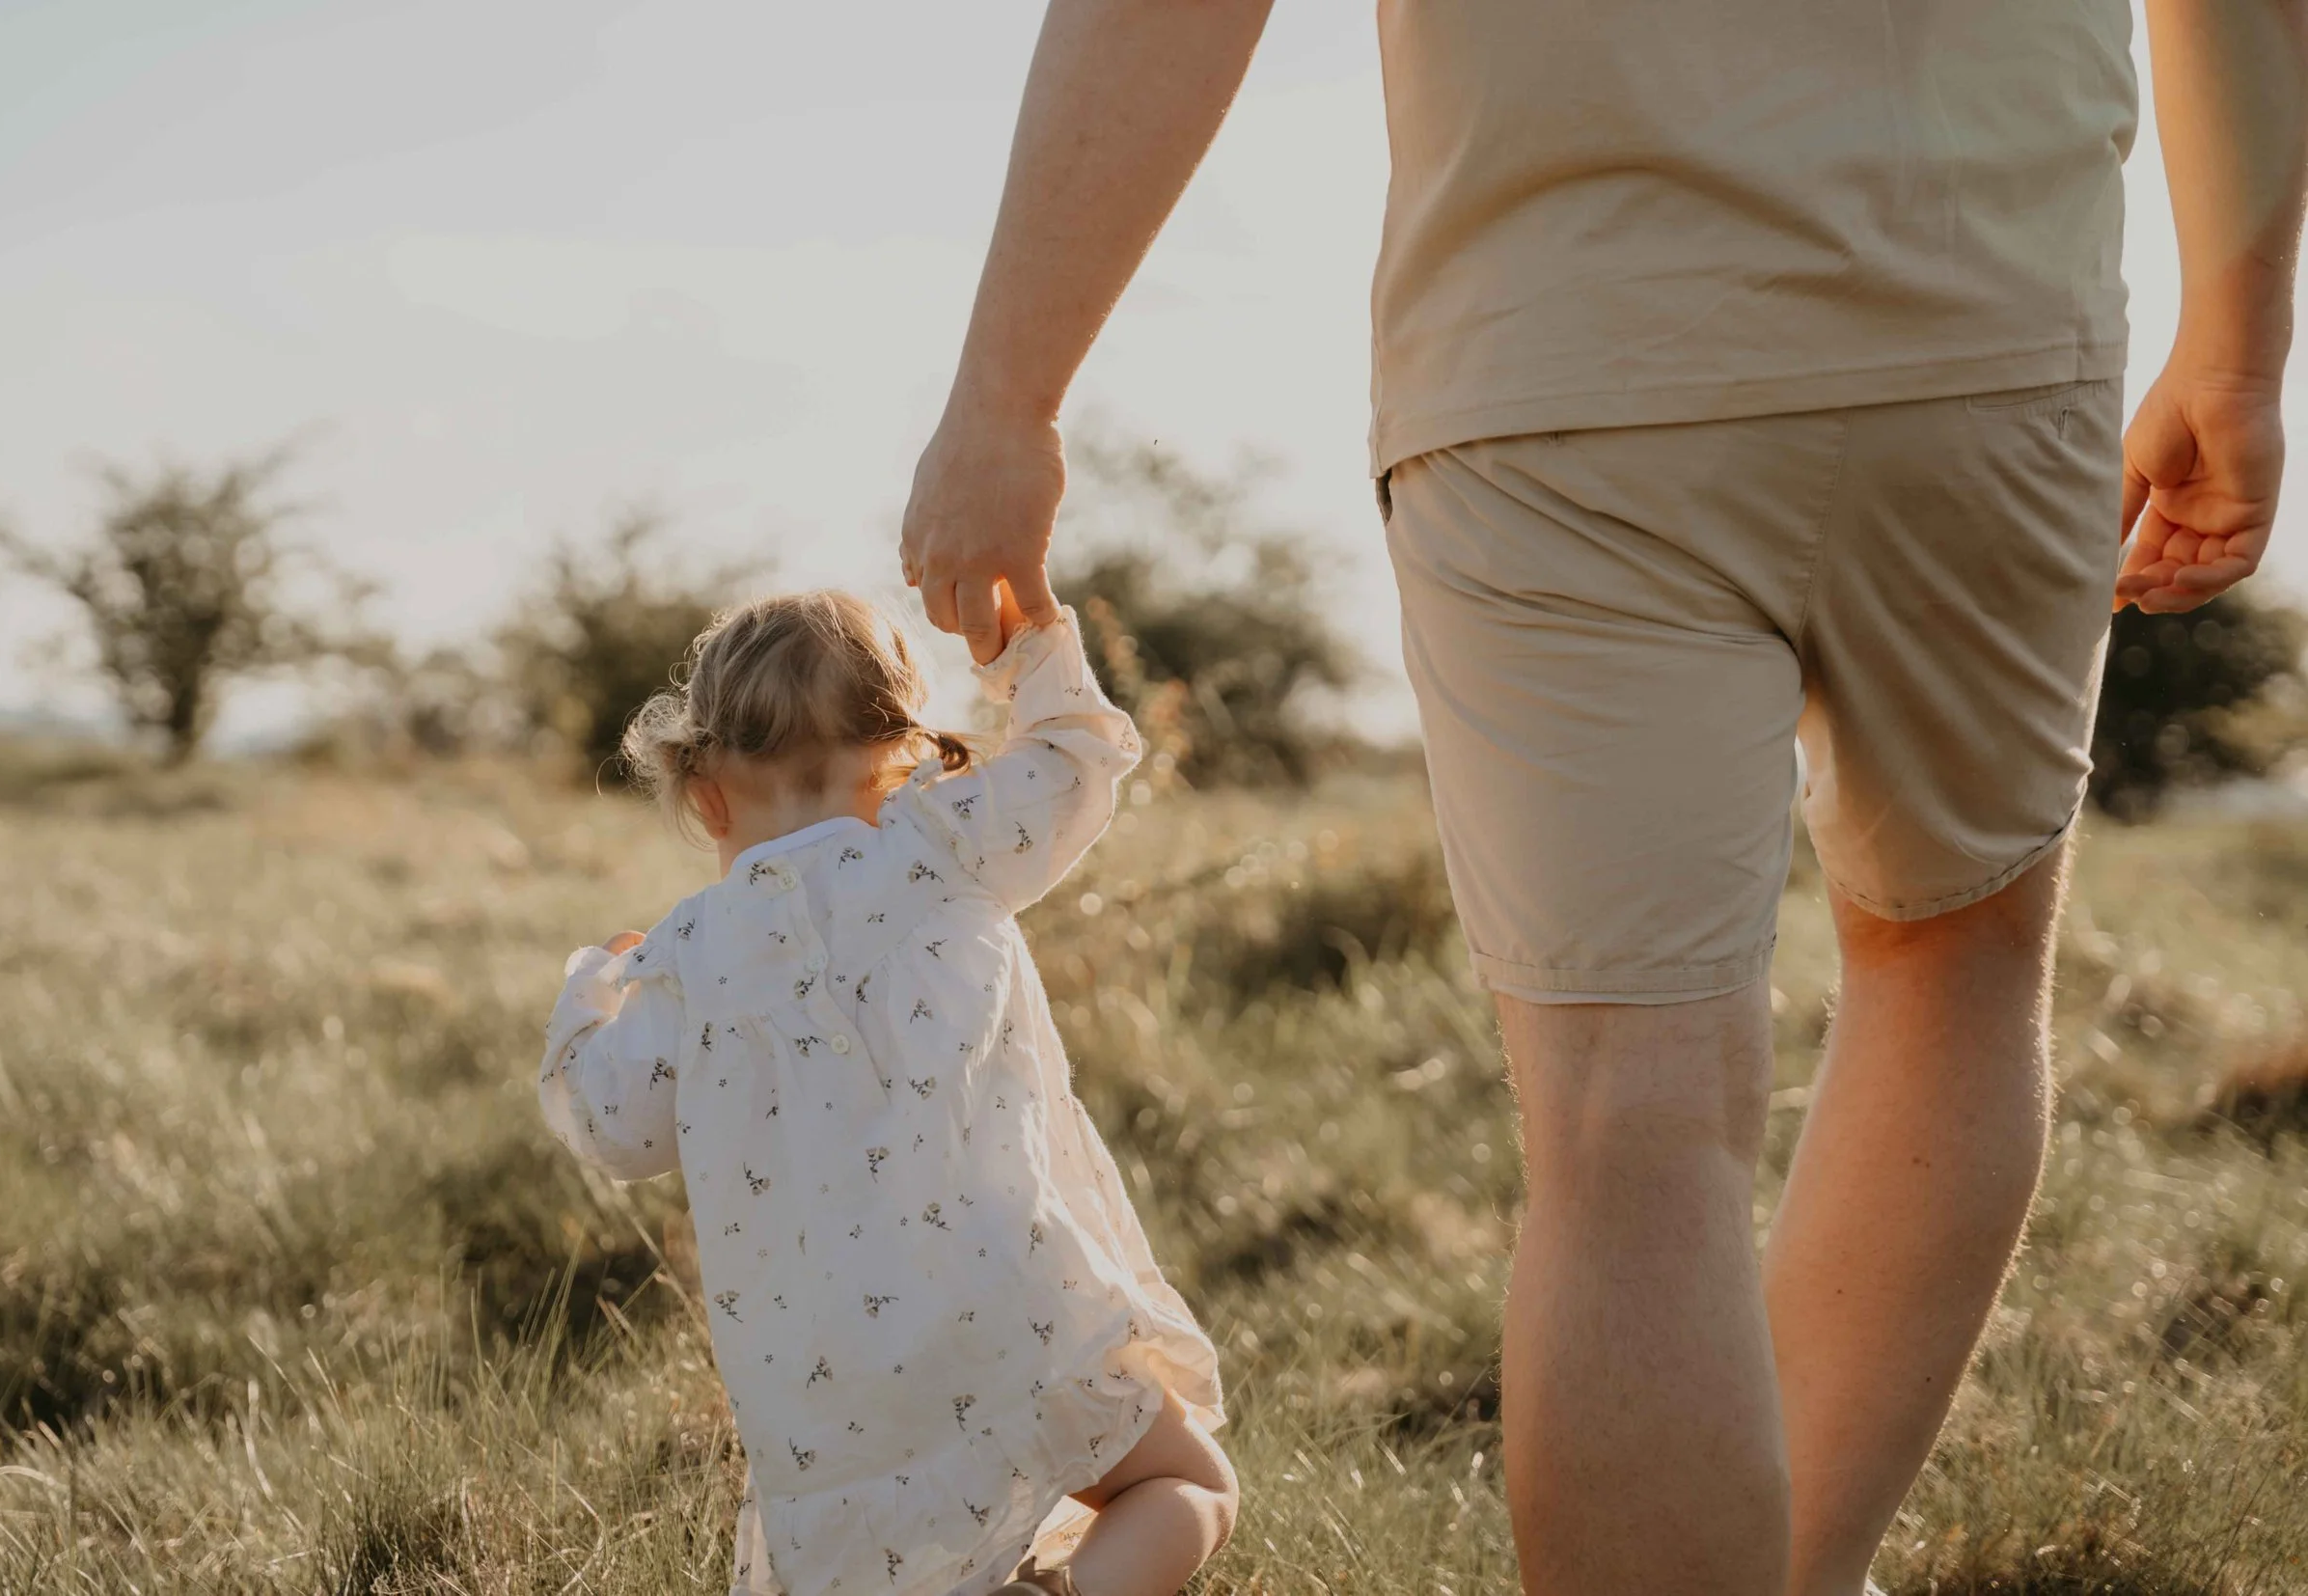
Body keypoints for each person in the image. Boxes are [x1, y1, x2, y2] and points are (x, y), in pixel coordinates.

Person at [896, 3, 2303, 1594]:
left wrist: (1012, 397)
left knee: (1629, 1100)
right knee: (1955, 967)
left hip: (1556, 356)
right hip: (1984, 325)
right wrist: (2238, 342)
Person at [536, 590, 1234, 1596]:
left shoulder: (687, 961)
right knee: (1182, 1484)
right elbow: (1074, 761)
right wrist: (1028, 645)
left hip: (824, 1389)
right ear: (904, 760)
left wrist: (590, 990)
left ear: (705, 794)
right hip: (1011, 1310)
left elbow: (614, 1126)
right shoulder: (943, 845)